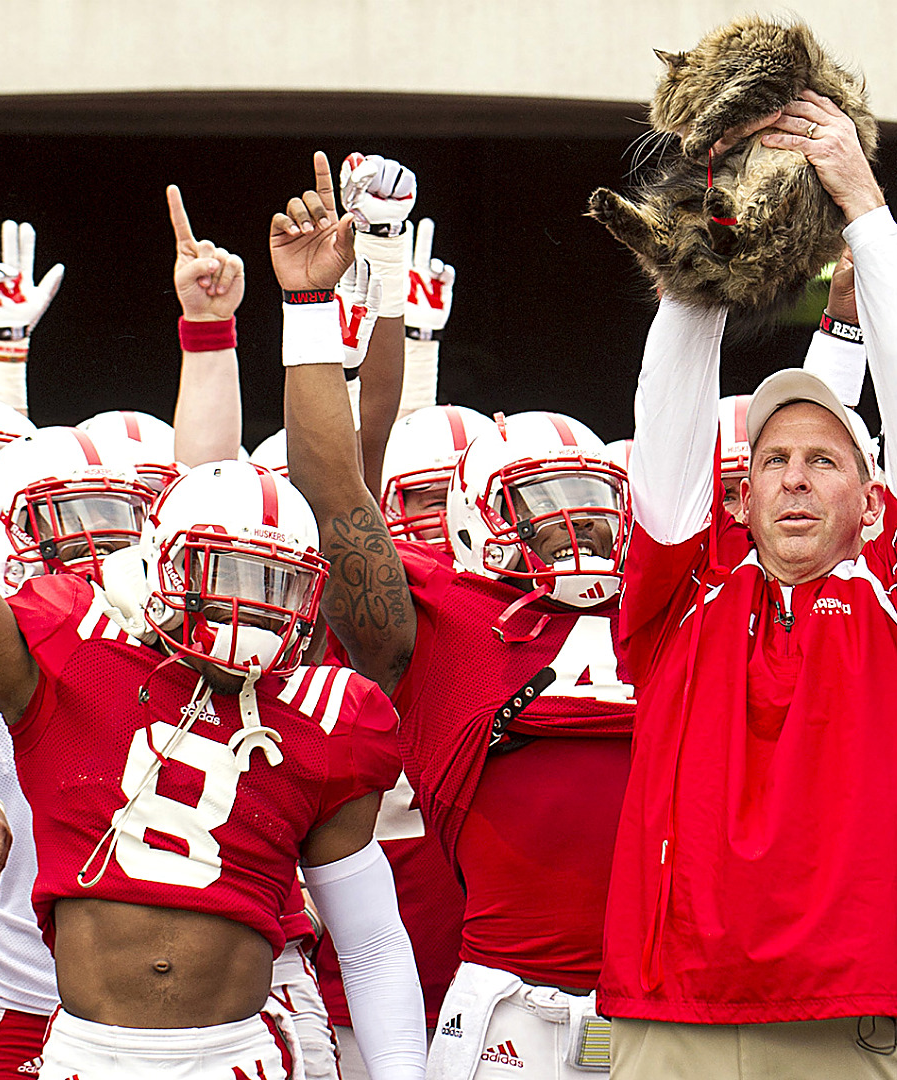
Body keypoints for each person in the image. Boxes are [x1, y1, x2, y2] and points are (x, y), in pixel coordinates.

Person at [0, 246, 424, 1080]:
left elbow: (370, 942)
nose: (246, 607)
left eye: (274, 584)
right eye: (224, 574)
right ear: (158, 567)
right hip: (81, 1045)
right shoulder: (71, 651)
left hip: (244, 1050)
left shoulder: (330, 714)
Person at [597, 77, 897, 1075]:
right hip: (668, 1014)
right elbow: (670, 432)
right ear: (743, 492)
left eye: (825, 460)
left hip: (845, 1019)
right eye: (773, 459)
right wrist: (697, 265)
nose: (797, 478)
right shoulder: (682, 604)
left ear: (871, 498)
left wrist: (863, 199)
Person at [274, 151, 638, 1080]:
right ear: (479, 518)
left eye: (592, 505)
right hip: (508, 1004)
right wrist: (313, 310)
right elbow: (338, 492)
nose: (573, 530)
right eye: (544, 503)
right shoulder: (445, 622)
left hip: (657, 990)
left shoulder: (665, 611)